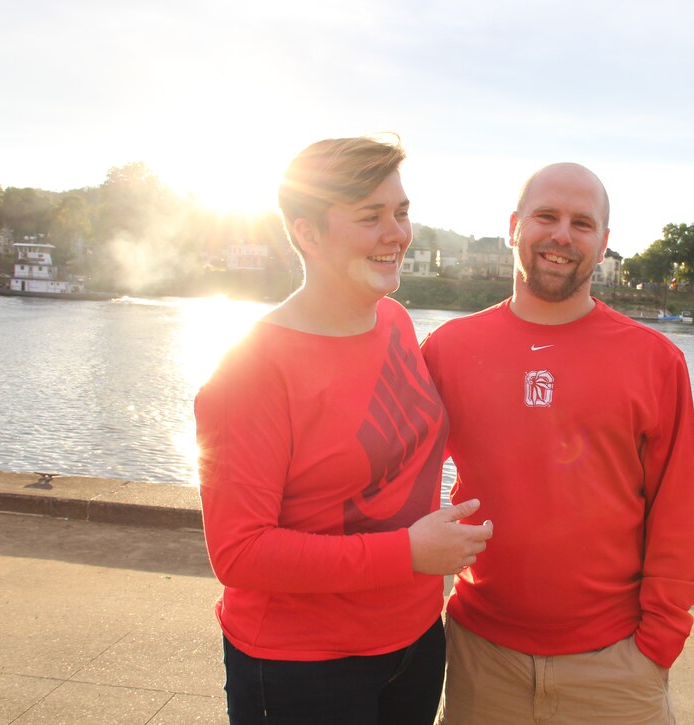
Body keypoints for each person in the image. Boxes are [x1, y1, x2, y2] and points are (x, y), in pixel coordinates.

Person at [195, 136, 493, 725]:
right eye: (370, 217)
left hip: (412, 641)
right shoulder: (253, 370)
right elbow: (239, 551)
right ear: (308, 233)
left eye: (401, 212)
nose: (398, 233)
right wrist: (407, 553)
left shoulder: (394, 320)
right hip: (303, 667)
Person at [421, 162, 694, 724]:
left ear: (604, 244)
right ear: (514, 226)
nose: (561, 235)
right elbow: (393, 477)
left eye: (583, 223)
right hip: (482, 658)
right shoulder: (447, 350)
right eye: (546, 216)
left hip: (616, 667)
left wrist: (658, 643)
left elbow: (683, 511)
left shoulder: (654, 360)